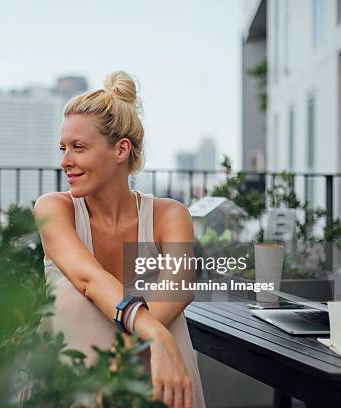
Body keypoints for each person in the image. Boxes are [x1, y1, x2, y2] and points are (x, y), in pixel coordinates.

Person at [34, 71, 206, 408]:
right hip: (74, 383)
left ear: (120, 150)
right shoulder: (54, 208)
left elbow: (179, 287)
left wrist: (120, 360)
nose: (65, 161)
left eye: (78, 147)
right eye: (63, 148)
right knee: (73, 294)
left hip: (151, 383)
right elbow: (89, 279)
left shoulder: (169, 215)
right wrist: (154, 335)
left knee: (166, 316)